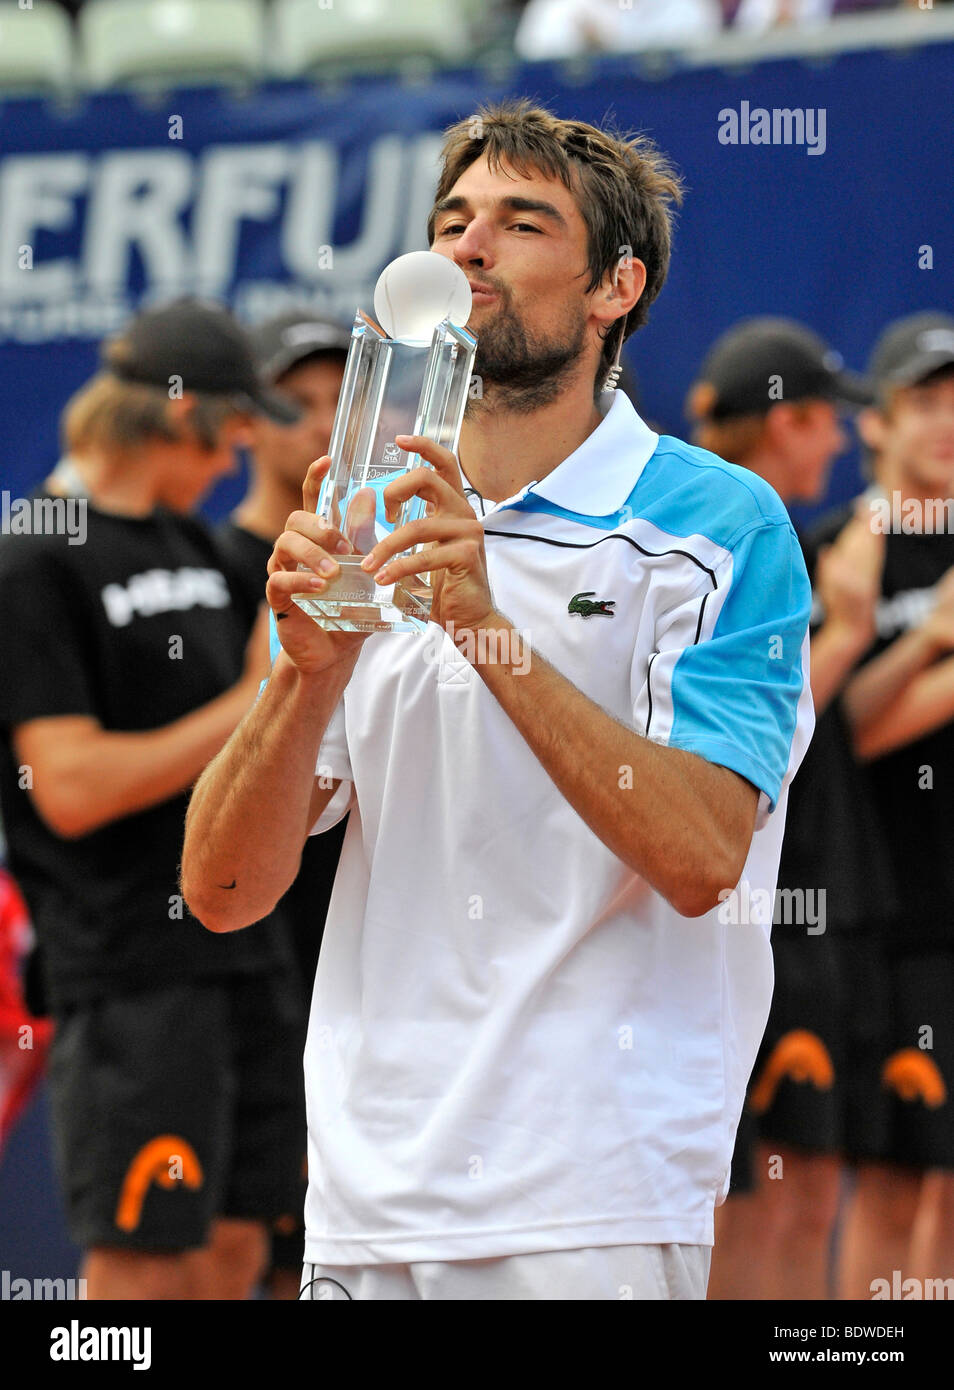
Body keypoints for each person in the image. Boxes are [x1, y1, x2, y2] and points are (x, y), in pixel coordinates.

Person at [182, 98, 814, 1302]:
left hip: (592, 1198)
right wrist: (301, 686)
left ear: (614, 287)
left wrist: (485, 628)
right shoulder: (363, 521)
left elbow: (697, 858)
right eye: (454, 220)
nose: (468, 248)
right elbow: (219, 890)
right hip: (362, 1206)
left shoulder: (721, 526)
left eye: (522, 223)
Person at [0, 298, 307, 1300]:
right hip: (129, 968)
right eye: (230, 432)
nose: (232, 462)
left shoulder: (207, 548)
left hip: (253, 953)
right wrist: (247, 704)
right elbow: (72, 787)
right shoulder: (33, 556)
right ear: (181, 417)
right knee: (141, 1257)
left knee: (236, 1246)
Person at [685, 318, 896, 1301]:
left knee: (808, 1186)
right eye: (825, 424)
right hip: (745, 897)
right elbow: (768, 730)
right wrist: (852, 634)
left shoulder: (792, 536)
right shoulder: (721, 542)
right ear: (784, 419)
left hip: (812, 907)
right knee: (746, 1192)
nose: (841, 446)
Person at [215, 308, 350, 1298]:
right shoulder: (205, 569)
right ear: (247, 423)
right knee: (245, 1242)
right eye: (296, 403)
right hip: (243, 950)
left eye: (345, 400)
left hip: (361, 946)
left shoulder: (377, 577)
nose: (323, 423)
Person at [833, 312, 954, 1298]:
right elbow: (844, 730)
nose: (948, 422)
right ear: (875, 423)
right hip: (899, 920)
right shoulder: (841, 551)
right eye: (925, 401)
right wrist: (929, 643)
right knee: (895, 1174)